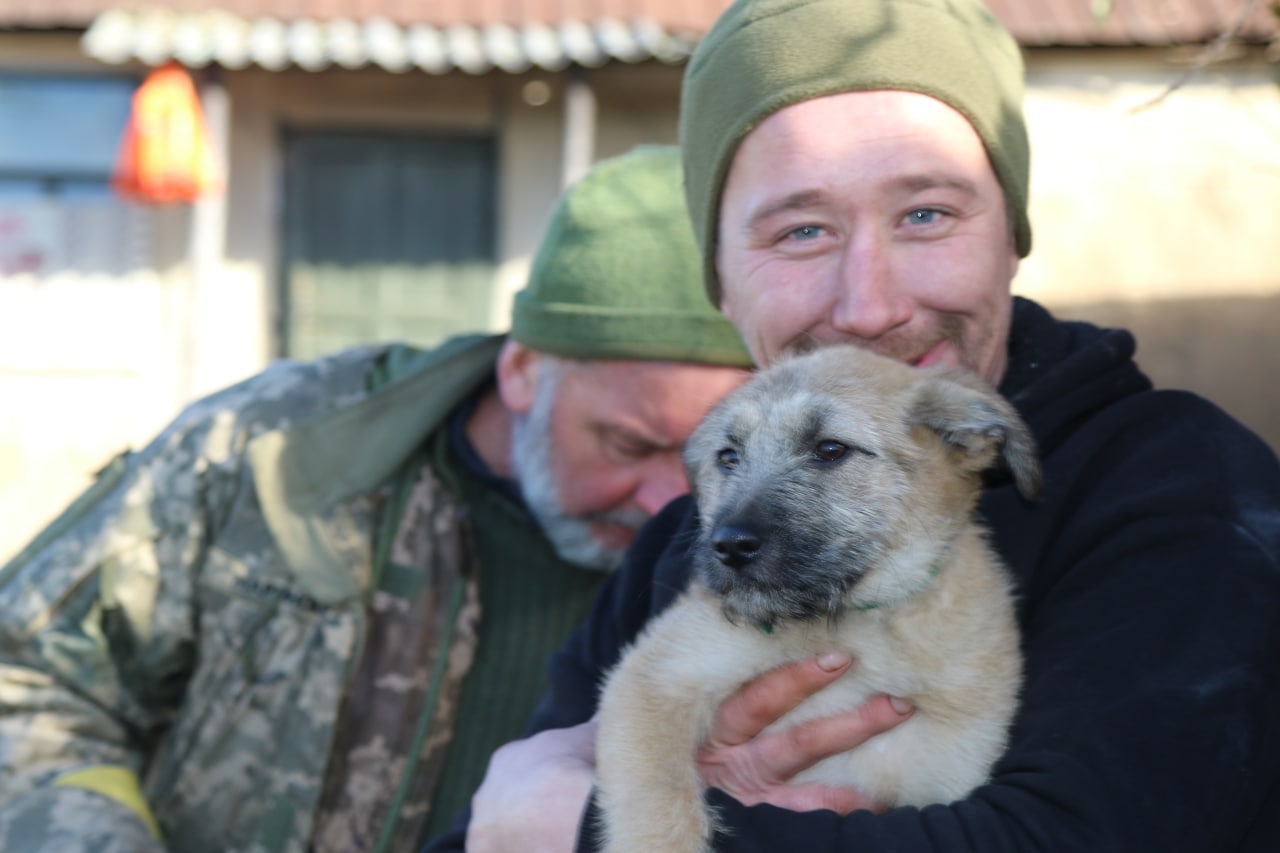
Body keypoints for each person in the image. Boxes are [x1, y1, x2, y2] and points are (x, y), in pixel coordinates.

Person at [424, 0, 1280, 851]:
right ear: (720, 281)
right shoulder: (697, 542)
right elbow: (501, 826)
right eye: (801, 230)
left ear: (1011, 238)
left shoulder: (1186, 490)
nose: (869, 306)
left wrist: (598, 829)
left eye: (926, 214)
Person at [0, 145, 752, 852]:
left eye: (720, 462)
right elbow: (28, 682)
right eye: (628, 444)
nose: (671, 503)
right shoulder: (268, 453)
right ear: (523, 370)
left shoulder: (762, 562)